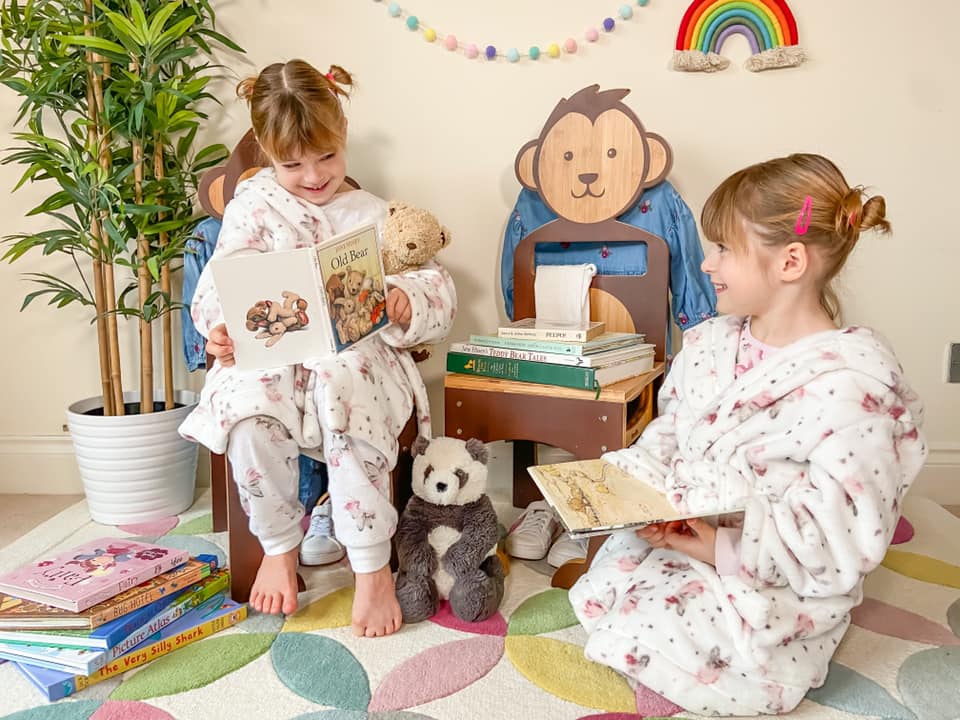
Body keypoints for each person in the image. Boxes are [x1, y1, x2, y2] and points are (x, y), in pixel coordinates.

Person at [568, 153, 927, 715]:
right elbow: (672, 430)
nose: (706, 265)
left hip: (770, 567)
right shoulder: (710, 344)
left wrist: (719, 546)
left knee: (690, 637)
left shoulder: (851, 388)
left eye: (724, 250)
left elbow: (840, 534)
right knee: (608, 586)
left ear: (789, 262)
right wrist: (630, 485)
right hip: (689, 524)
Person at [178, 60, 457, 636]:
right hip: (275, 356)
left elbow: (436, 285)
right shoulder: (252, 208)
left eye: (326, 157)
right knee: (248, 407)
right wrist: (222, 330)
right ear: (265, 152)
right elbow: (216, 291)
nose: (312, 176)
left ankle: (371, 567)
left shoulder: (373, 214)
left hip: (357, 358)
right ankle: (279, 544)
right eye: (293, 163)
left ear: (343, 134)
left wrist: (406, 298)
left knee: (341, 385)